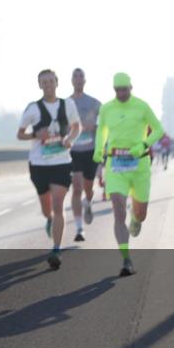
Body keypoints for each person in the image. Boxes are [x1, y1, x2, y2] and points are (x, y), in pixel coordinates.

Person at [92, 72, 164, 277]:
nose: (121, 93)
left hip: (139, 166)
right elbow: (101, 132)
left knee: (140, 214)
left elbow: (159, 130)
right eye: (117, 90)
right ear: (114, 90)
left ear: (131, 88)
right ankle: (126, 259)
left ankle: (136, 218)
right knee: (118, 210)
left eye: (124, 89)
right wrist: (99, 149)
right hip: (116, 167)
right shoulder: (106, 109)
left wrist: (143, 144)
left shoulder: (142, 107)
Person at [18, 69, 81, 270]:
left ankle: (56, 249)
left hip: (61, 162)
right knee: (47, 208)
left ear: (57, 82)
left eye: (50, 81)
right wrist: (36, 134)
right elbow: (20, 135)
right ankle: (48, 220)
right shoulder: (33, 108)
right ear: (39, 85)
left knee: (57, 204)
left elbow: (76, 126)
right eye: (43, 82)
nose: (48, 85)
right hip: (39, 164)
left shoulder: (67, 104)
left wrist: (69, 139)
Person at [68, 68, 101, 241]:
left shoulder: (95, 103)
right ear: (71, 81)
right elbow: (59, 126)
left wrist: (93, 127)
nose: (79, 79)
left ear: (85, 81)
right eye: (75, 76)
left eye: (81, 76)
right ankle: (79, 228)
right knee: (77, 187)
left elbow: (104, 126)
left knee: (88, 188)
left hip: (90, 150)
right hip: (73, 151)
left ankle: (88, 202)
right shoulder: (65, 103)